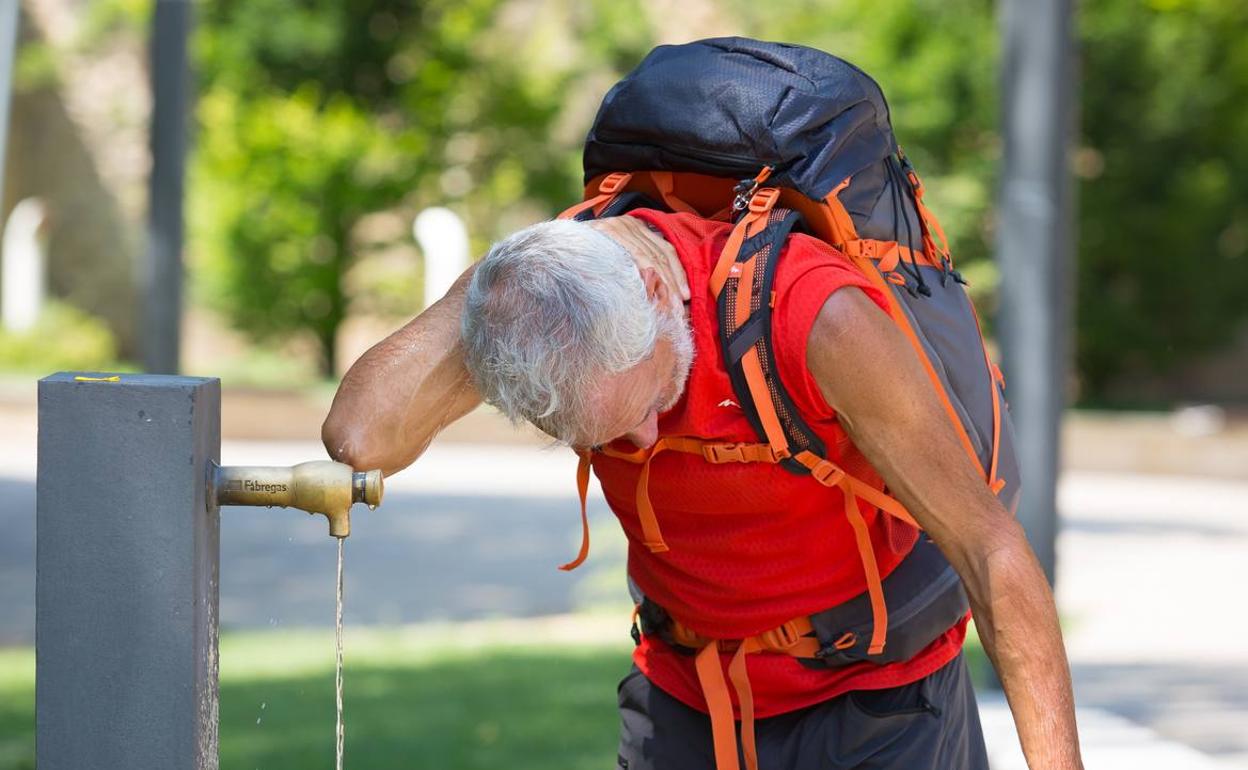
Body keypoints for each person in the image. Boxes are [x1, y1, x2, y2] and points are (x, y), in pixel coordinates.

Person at [321, 210, 1083, 769]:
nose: (644, 442)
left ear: (655, 291)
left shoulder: (816, 318)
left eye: (650, 403)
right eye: (606, 438)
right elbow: (360, 441)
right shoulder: (538, 303)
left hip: (874, 702)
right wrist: (496, 282)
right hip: (688, 697)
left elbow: (991, 550)